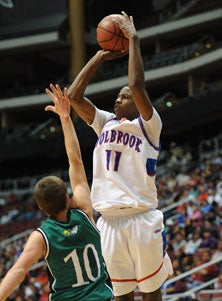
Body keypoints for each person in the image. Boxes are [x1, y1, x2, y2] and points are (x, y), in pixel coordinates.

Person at [67, 11, 173, 301]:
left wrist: (134, 39)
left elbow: (137, 85)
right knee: (121, 295)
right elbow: (74, 97)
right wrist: (99, 57)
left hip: (141, 217)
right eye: (117, 96)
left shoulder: (149, 125)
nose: (117, 99)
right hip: (108, 220)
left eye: (123, 97)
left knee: (151, 294)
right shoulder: (105, 122)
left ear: (138, 105)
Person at [0, 84, 113, 301]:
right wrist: (65, 116)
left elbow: (18, 271)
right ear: (67, 197)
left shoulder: (40, 237)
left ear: (41, 208)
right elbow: (75, 160)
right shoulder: (83, 210)